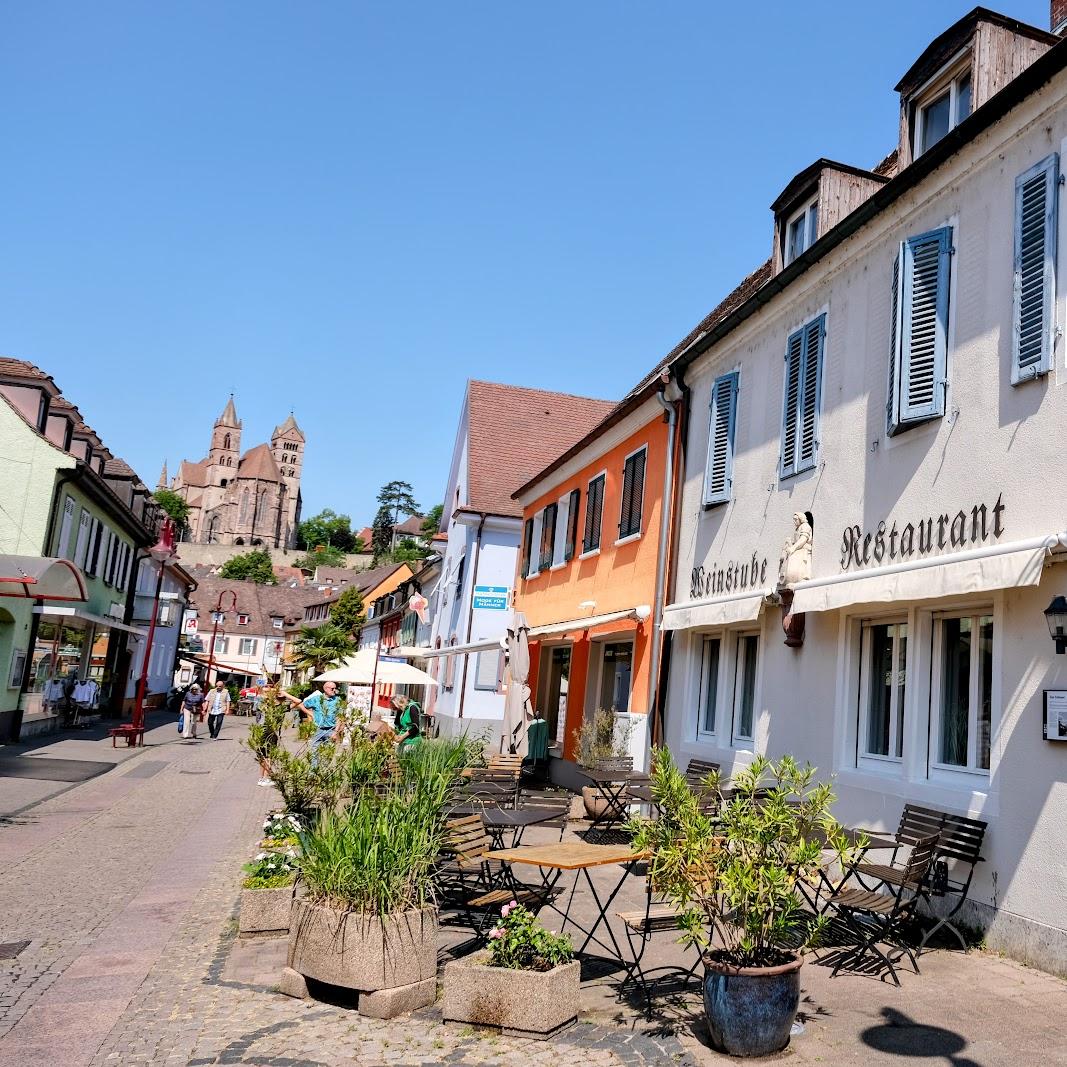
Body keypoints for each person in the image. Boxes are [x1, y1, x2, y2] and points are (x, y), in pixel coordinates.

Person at [283, 681, 342, 751]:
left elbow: (339, 717)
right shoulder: (316, 699)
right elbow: (302, 704)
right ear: (325, 689)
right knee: (314, 752)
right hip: (317, 729)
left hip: (330, 730)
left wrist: (336, 732)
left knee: (328, 754)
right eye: (332, 689)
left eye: (335, 688)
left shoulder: (337, 700)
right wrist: (310, 713)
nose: (334, 690)